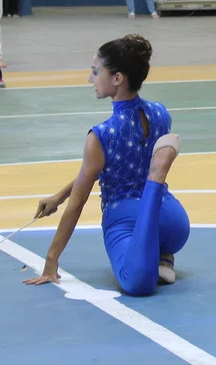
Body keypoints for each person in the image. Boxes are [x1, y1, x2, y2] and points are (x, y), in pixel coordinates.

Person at [25, 35, 190, 296]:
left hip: (127, 219)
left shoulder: (102, 134)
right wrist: (59, 195)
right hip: (174, 222)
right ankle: (163, 255)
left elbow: (77, 205)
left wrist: (51, 261)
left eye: (95, 71)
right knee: (151, 205)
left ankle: (147, 261)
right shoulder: (161, 113)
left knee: (136, 283)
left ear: (117, 78)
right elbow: (104, 168)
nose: (90, 78)